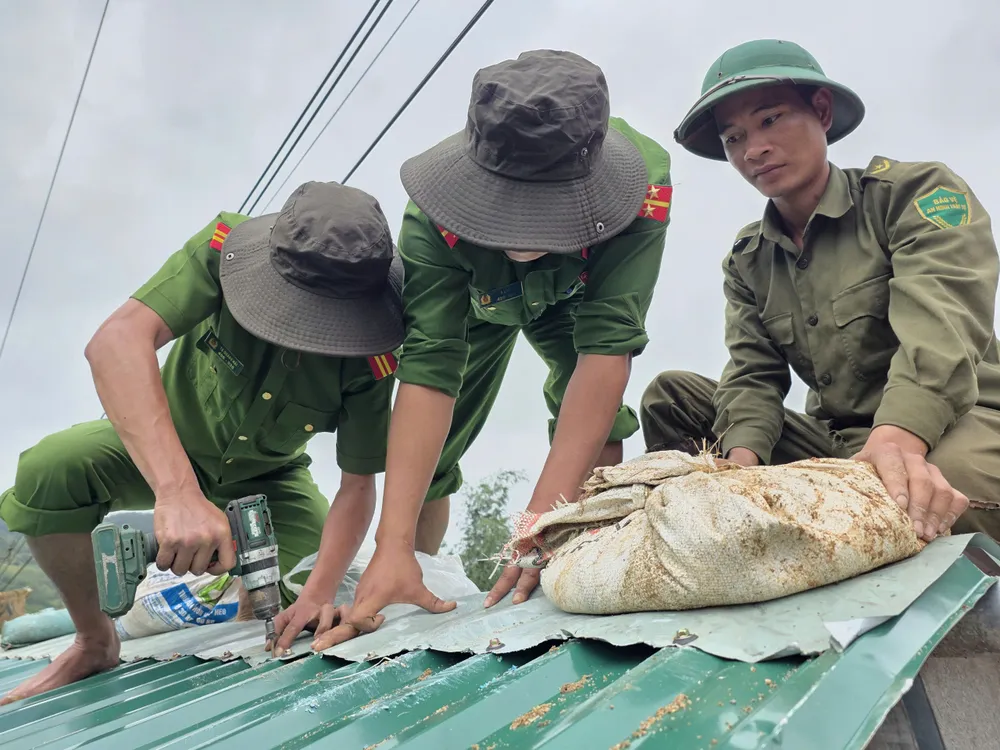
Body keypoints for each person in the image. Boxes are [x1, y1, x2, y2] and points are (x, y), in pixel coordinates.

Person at [306, 49, 674, 649]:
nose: (524, 235)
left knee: (588, 415)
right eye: (508, 210)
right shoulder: (431, 215)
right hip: (477, 301)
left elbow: (605, 350)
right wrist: (390, 544)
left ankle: (586, 546)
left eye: (544, 213)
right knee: (427, 456)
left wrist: (538, 523)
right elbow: (429, 367)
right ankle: (403, 573)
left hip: (573, 293)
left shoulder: (645, 188)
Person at [0, 181, 403, 704]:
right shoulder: (221, 250)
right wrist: (178, 493)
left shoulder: (374, 351)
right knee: (48, 470)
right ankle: (94, 642)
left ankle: (240, 605)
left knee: (298, 604)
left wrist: (320, 593)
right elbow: (115, 341)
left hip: (271, 481)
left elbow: (358, 484)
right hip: (164, 449)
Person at [641, 38, 1000, 543]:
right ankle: (716, 547)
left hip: (959, 420)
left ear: (822, 111)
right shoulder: (748, 259)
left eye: (770, 120)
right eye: (733, 138)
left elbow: (944, 327)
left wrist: (898, 439)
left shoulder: (912, 196)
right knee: (671, 397)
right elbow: (753, 376)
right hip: (835, 443)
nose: (753, 150)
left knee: (946, 488)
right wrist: (737, 469)